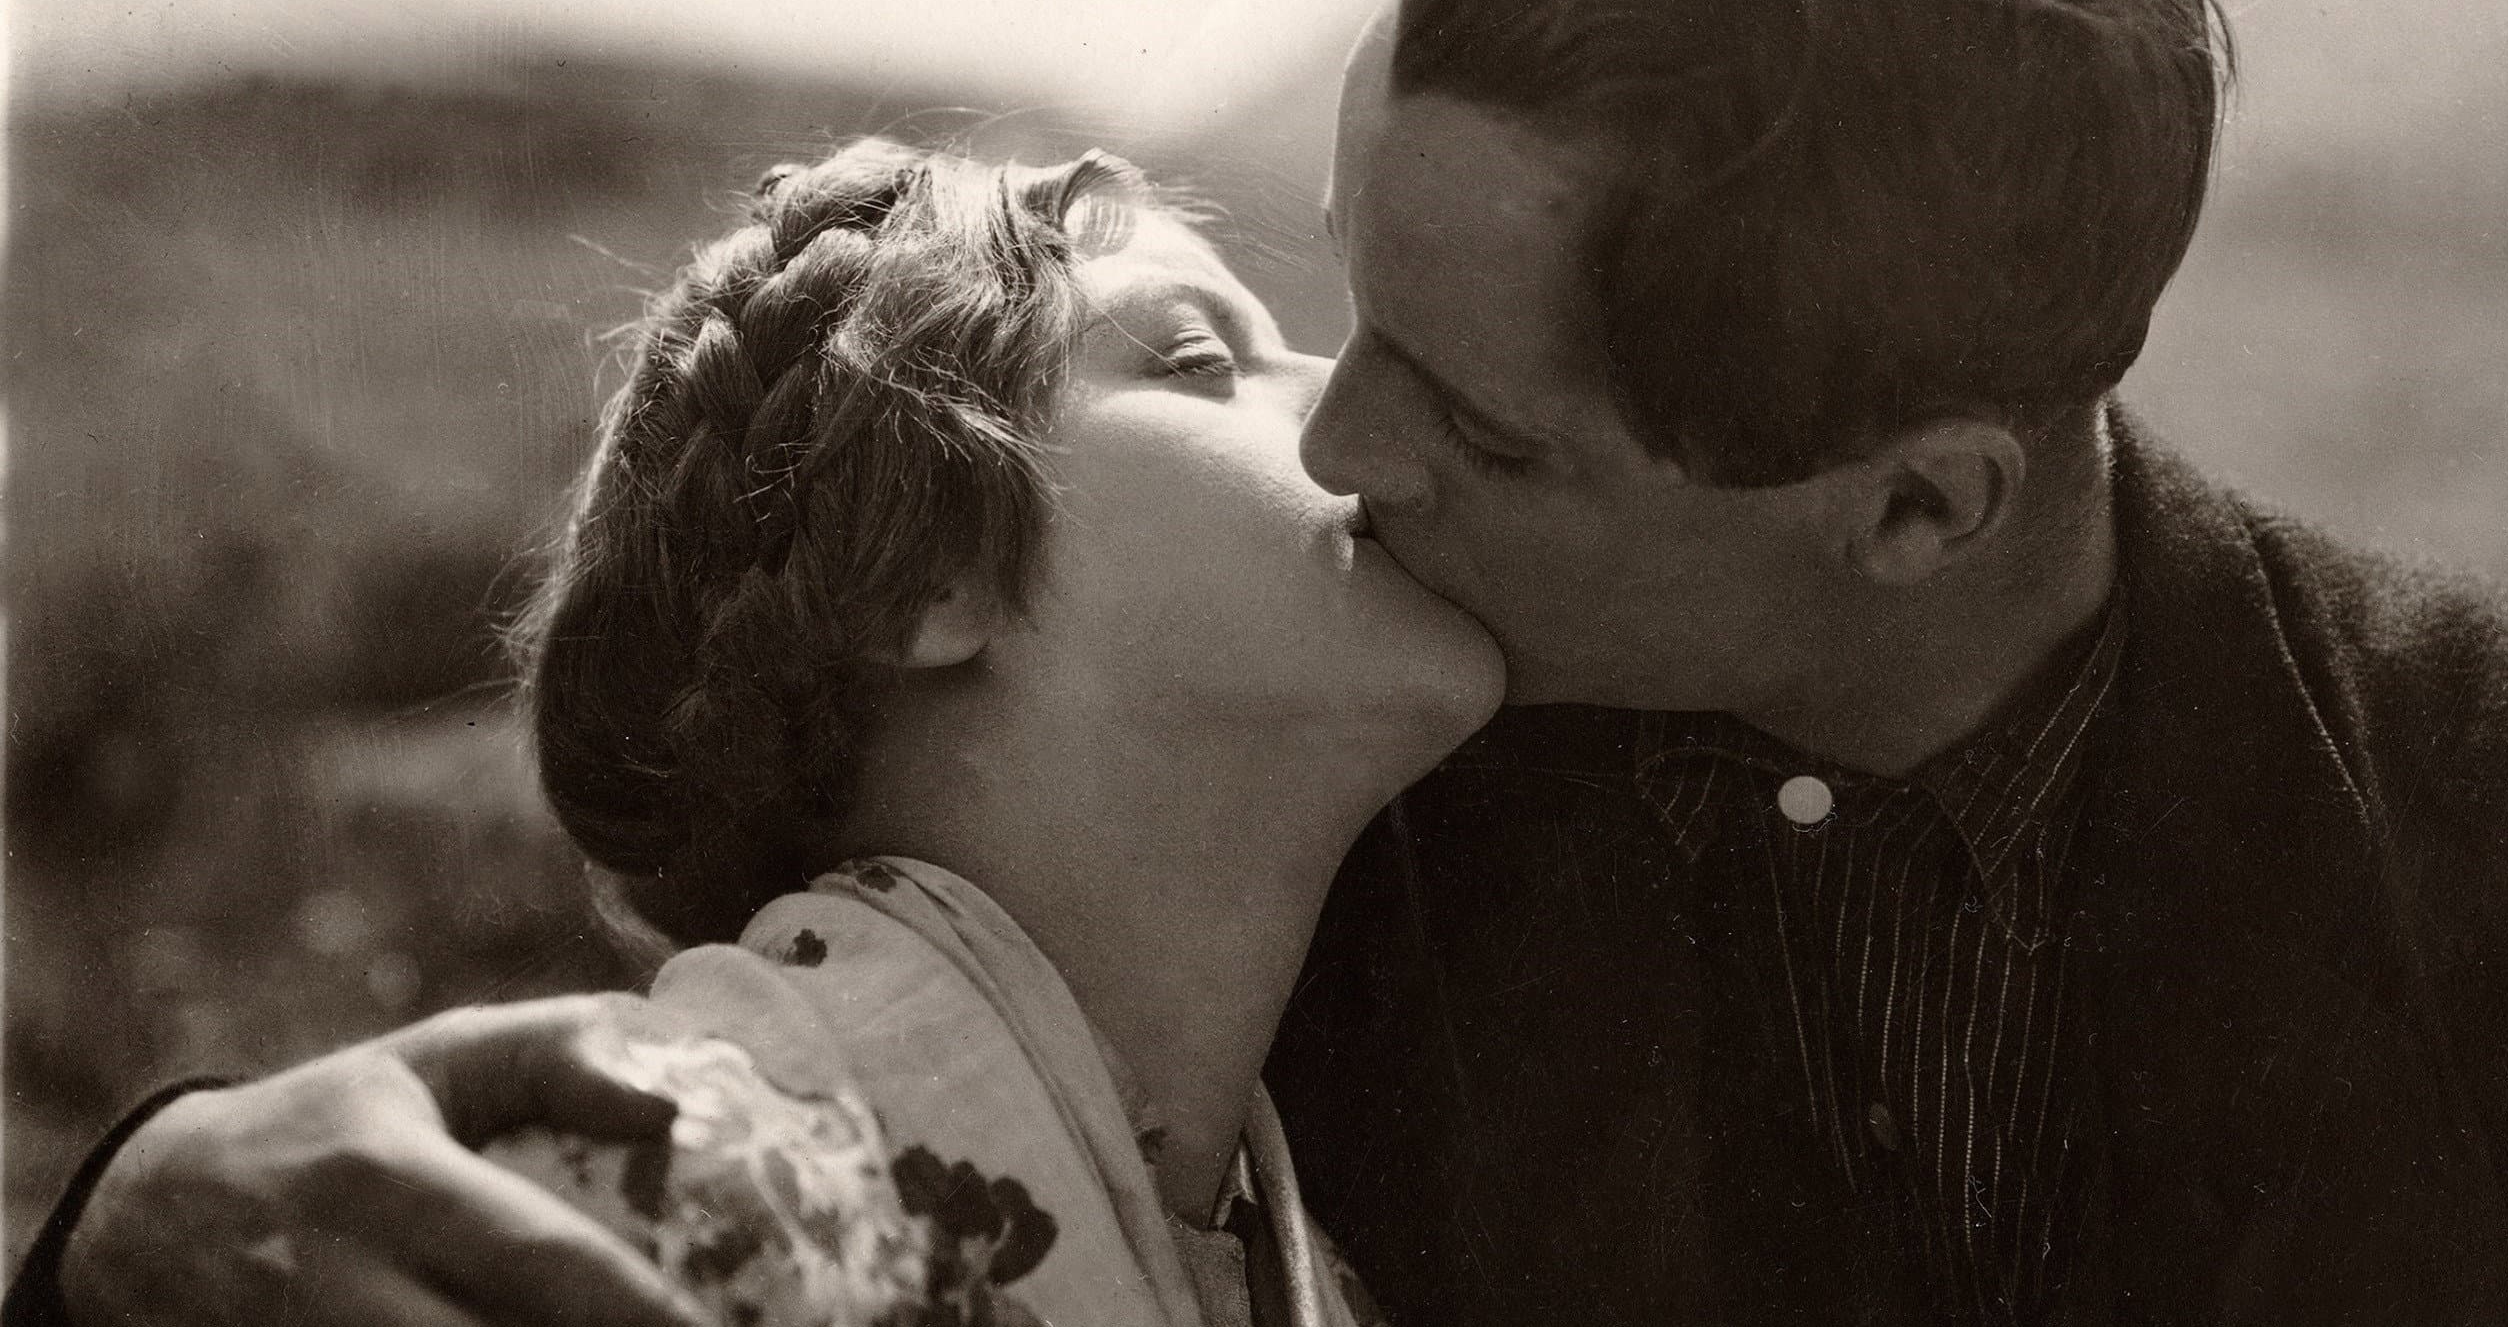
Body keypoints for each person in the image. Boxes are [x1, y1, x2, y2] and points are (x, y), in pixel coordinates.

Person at [13, 0, 2508, 1327]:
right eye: (1322, 300)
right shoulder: (1308, 774)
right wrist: (126, 1227)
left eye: (1477, 412)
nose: (1346, 442)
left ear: (1914, 500)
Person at [15, 140, 1499, 1326]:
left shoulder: (1291, 1259)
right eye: (1195, 359)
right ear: (930, 571)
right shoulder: (615, 1190)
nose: (1344, 413)